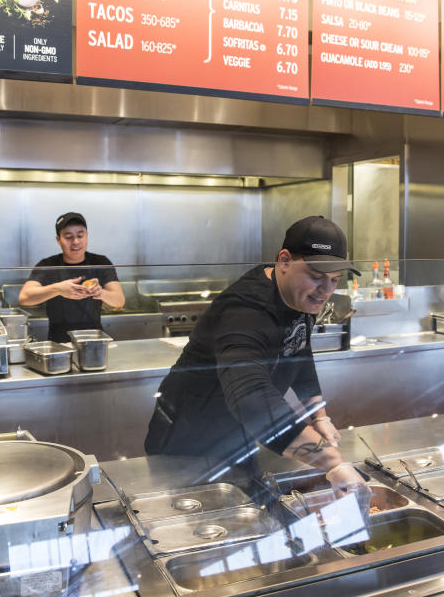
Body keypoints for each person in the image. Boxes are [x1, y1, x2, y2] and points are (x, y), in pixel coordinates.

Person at [144, 215, 370, 508]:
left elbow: (299, 351)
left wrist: (319, 416)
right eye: (316, 276)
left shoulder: (300, 295)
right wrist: (333, 463)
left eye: (334, 280)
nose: (326, 291)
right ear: (285, 261)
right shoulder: (245, 311)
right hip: (189, 442)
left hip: (238, 436)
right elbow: (252, 399)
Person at [19, 212, 125, 342]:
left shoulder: (100, 262)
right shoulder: (48, 265)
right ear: (58, 240)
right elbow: (24, 298)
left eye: (80, 235)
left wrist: (100, 292)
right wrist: (57, 289)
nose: (75, 242)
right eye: (68, 237)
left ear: (87, 236)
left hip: (94, 340)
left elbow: (119, 301)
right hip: (58, 342)